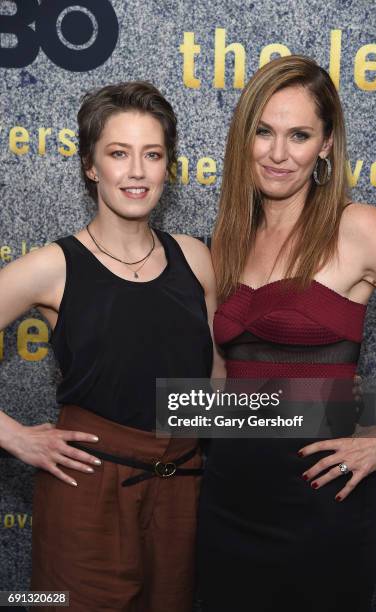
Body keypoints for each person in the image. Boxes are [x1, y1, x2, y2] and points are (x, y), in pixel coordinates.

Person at [0, 81, 223, 612]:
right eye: (118, 154)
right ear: (90, 166)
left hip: (181, 489)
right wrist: (14, 436)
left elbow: (216, 384)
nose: (137, 171)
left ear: (168, 166)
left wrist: (324, 406)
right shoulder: (52, 267)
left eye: (153, 154)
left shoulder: (195, 257)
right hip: (86, 494)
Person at [197, 55, 376, 612]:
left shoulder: (355, 228)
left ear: (327, 144)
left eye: (299, 135)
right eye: (263, 132)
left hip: (320, 510)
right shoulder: (226, 240)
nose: (278, 153)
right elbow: (223, 377)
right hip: (226, 504)